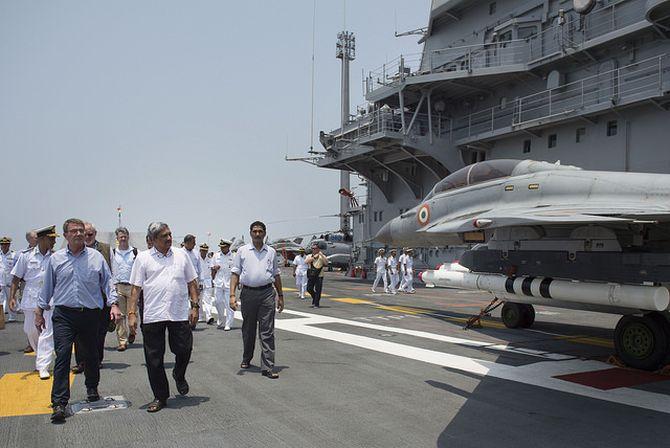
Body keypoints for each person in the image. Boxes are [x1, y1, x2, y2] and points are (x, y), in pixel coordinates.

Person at [36, 218, 121, 423]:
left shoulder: (96, 258)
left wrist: (114, 304)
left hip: (90, 315)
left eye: (81, 231)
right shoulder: (55, 259)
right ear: (66, 235)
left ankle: (92, 388)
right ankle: (59, 403)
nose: (79, 234)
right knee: (63, 356)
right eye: (74, 231)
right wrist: (39, 311)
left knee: (91, 355)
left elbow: (108, 282)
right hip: (64, 315)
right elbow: (47, 287)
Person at [127, 222, 199, 413]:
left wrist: (195, 306)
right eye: (163, 236)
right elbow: (135, 288)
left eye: (169, 234)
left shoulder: (181, 254)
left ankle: (179, 373)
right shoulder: (143, 258)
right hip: (153, 314)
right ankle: (160, 396)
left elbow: (192, 282)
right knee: (154, 359)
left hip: (178, 312)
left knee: (184, 348)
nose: (168, 238)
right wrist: (132, 314)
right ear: (152, 240)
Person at [229, 221, 284, 379]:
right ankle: (247, 357)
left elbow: (276, 274)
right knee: (248, 329)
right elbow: (235, 274)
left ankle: (267, 366)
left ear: (265, 233)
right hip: (248, 294)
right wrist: (232, 295)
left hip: (267, 293)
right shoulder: (242, 251)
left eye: (260, 231)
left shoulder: (271, 252)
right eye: (255, 231)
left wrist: (280, 296)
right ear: (250, 233)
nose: (258, 234)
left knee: (267, 331)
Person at [8, 226, 58, 379]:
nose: (55, 241)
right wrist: (12, 297)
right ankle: (40, 357)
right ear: (42, 239)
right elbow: (16, 277)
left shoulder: (55, 257)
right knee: (30, 330)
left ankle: (43, 365)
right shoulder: (26, 256)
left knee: (46, 332)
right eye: (52, 238)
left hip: (49, 300)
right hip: (30, 299)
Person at [72, 222, 113, 373]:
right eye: (85, 234)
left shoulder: (106, 249)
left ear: (95, 234)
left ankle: (97, 359)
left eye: (90, 234)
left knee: (99, 332)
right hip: (80, 299)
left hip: (100, 299)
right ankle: (81, 362)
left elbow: (111, 274)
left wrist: (112, 300)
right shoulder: (74, 249)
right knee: (79, 334)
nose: (87, 237)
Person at [110, 227, 138, 350]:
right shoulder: (113, 253)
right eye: (120, 236)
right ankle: (122, 341)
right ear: (117, 238)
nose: (123, 238)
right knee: (120, 316)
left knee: (133, 313)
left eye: (124, 236)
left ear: (128, 237)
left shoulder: (135, 252)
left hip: (132, 287)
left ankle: (132, 331)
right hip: (119, 286)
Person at [211, 239, 234, 330]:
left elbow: (236, 271)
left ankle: (228, 323)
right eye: (221, 247)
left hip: (229, 283)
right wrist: (214, 268)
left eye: (224, 247)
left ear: (228, 247)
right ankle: (220, 318)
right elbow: (212, 268)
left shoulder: (234, 256)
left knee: (229, 304)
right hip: (219, 282)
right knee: (217, 302)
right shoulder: (216, 256)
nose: (222, 249)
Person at [0, 236, 19, 323]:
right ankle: (2, 316)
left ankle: (12, 316)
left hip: (9, 281)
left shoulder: (14, 255)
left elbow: (17, 268)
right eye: (2, 244)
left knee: (10, 298)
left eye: (6, 244)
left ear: (9, 245)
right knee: (1, 299)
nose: (4, 246)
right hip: (0, 281)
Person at [305, 242, 328, 308]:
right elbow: (306, 262)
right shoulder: (309, 256)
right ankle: (314, 297)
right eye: (312, 248)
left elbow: (326, 263)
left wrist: (322, 255)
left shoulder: (321, 256)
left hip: (319, 275)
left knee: (318, 290)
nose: (313, 250)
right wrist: (314, 258)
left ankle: (316, 303)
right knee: (309, 289)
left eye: (315, 248)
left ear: (318, 249)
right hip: (311, 274)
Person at [197, 243, 215, 324]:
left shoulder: (210, 259)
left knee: (208, 300)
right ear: (200, 250)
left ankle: (209, 316)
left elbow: (212, 270)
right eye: (203, 250)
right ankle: (200, 316)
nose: (204, 252)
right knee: (199, 300)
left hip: (208, 281)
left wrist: (213, 280)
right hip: (199, 281)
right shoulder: (196, 258)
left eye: (205, 251)